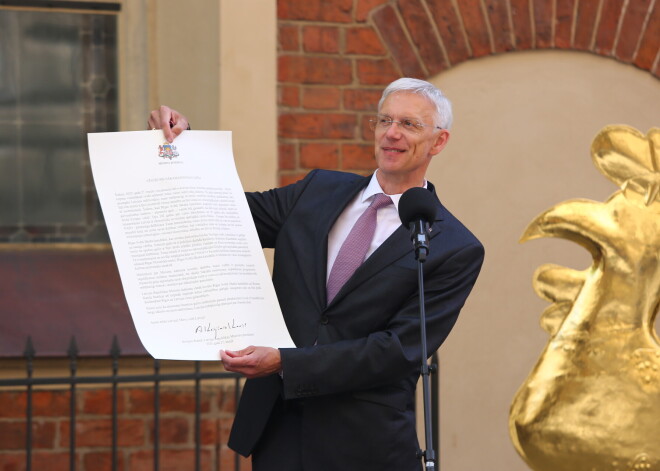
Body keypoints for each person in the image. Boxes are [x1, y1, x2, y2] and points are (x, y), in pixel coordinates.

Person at [148, 78, 484, 471]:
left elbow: (397, 351)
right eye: (384, 121)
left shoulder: (451, 245)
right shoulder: (318, 190)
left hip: (364, 444)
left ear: (439, 142)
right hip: (279, 428)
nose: (391, 133)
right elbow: (223, 213)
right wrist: (179, 147)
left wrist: (287, 363)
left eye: (409, 125)